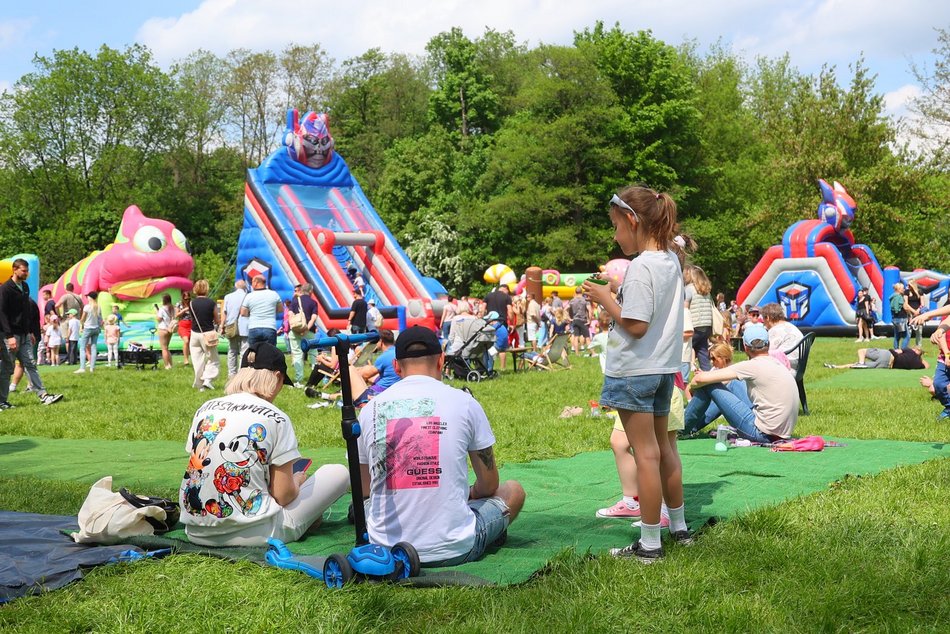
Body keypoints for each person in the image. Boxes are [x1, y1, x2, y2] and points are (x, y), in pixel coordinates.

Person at [581, 186, 690, 563]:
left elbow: (636, 324)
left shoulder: (642, 265)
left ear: (632, 220)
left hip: (635, 371)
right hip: (662, 370)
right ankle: (679, 528)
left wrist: (604, 299)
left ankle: (649, 544)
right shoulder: (671, 261)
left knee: (645, 454)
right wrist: (616, 293)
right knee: (663, 451)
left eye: (615, 226)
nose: (614, 236)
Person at [357, 326, 525, 565]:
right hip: (455, 548)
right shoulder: (465, 403)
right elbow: (489, 484)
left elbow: (364, 489)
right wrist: (470, 493)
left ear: (396, 367)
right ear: (441, 361)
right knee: (513, 490)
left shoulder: (370, 409)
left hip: (383, 550)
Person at [179, 342, 349, 546]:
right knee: (338, 472)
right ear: (277, 377)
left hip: (196, 531)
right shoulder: (277, 418)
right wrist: (298, 480)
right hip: (256, 534)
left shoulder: (205, 408)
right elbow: (283, 495)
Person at [685, 323, 798, 443]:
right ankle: (692, 426)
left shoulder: (751, 365)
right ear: (768, 345)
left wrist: (691, 387)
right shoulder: (777, 363)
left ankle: (681, 429)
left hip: (761, 434)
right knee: (733, 384)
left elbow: (699, 379)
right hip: (782, 432)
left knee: (709, 384)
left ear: (745, 347)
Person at [0, 258, 63, 409]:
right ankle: (2, 401)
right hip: (10, 335)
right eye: (23, 270)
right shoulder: (5, 289)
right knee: (7, 368)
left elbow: (26, 311)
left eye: (27, 270)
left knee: (30, 364)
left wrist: (31, 332)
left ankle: (44, 395)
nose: (26, 273)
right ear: (14, 270)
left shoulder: (25, 287)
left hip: (24, 334)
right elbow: (1, 313)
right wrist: (8, 336)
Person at [188, 279, 220, 391]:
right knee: (213, 359)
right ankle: (207, 380)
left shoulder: (191, 303)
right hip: (208, 334)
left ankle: (199, 384)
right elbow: (217, 320)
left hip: (194, 334)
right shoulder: (211, 303)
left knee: (197, 360)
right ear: (206, 289)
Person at [683, 264, 714, 371]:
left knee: (685, 350)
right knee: (702, 352)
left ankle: (683, 376)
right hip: (706, 327)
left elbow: (685, 309)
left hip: (694, 326)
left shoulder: (689, 289)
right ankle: (708, 376)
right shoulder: (706, 291)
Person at [288, 284, 318, 387]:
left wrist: (294, 327)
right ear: (311, 292)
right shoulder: (313, 302)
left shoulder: (295, 300)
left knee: (297, 354)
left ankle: (298, 379)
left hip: (295, 331)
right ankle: (315, 378)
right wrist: (306, 329)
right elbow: (313, 318)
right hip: (309, 332)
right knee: (313, 353)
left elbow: (290, 315)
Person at [759, 302, 804, 370]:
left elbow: (766, 352)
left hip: (784, 368)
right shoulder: (791, 326)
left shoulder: (775, 330)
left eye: (763, 319)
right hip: (798, 366)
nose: (763, 323)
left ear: (767, 318)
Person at [241, 275, 282, 347]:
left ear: (256, 282)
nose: (251, 284)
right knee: (270, 353)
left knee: (253, 353)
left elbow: (243, 313)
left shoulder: (249, 296)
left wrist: (251, 313)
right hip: (270, 327)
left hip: (254, 327)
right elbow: (280, 309)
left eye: (252, 282)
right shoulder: (274, 294)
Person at [221, 280, 249, 378]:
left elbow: (224, 312)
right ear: (245, 287)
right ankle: (241, 373)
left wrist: (222, 325)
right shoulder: (248, 296)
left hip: (231, 326)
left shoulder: (228, 297)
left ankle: (231, 374)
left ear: (235, 286)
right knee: (244, 351)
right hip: (245, 327)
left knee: (232, 351)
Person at [824, 346, 928, 370]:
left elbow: (897, 351)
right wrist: (921, 358)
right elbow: (927, 366)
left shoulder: (909, 350)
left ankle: (836, 366)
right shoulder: (918, 364)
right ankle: (835, 366)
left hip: (888, 355)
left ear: (916, 351)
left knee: (862, 351)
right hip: (886, 365)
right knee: (855, 365)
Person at [75, 291, 103, 374]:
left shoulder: (87, 307)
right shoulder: (98, 307)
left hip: (88, 328)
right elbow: (100, 319)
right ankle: (92, 367)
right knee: (94, 347)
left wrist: (81, 325)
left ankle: (82, 367)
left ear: (90, 297)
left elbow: (83, 318)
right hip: (96, 328)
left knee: (82, 347)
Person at [568, 288, 591, 355]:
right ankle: (593, 352)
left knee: (576, 336)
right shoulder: (585, 300)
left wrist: (569, 318)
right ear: (582, 292)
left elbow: (566, 309)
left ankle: (577, 353)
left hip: (575, 320)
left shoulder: (572, 300)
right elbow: (590, 310)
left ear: (575, 292)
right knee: (587, 337)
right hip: (583, 320)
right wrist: (589, 320)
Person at [155, 294, 175, 370]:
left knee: (164, 348)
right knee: (167, 348)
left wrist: (157, 312)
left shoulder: (162, 309)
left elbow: (159, 319)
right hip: (170, 329)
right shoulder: (172, 308)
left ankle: (167, 365)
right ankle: (171, 364)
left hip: (163, 329)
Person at [889, 282, 911, 350]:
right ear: (899, 289)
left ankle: (896, 349)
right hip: (901, 319)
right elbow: (905, 307)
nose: (904, 290)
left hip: (895, 318)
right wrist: (911, 313)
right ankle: (903, 350)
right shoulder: (899, 297)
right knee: (906, 336)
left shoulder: (892, 297)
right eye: (902, 288)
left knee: (897, 336)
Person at [176, 291, 193, 367]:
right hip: (183, 324)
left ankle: (191, 358)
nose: (187, 300)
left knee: (191, 343)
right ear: (183, 298)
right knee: (186, 341)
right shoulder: (179, 304)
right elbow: (176, 315)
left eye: (188, 298)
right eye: (185, 299)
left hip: (192, 324)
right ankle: (186, 360)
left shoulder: (192, 304)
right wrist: (184, 310)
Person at [905, 280, 924, 346]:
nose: (908, 286)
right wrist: (913, 311)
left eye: (909, 285)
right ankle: (906, 346)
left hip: (918, 313)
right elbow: (906, 304)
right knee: (909, 330)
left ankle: (918, 345)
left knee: (919, 331)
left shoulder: (920, 292)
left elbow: (922, 303)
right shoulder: (906, 292)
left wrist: (918, 310)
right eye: (908, 285)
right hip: (910, 313)